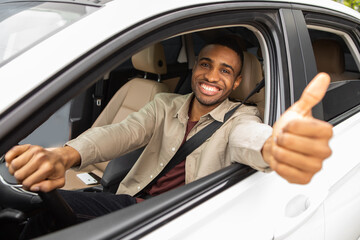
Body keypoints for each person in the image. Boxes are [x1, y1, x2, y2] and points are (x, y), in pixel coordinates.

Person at [4, 37, 332, 237]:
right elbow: (120, 133)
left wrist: (275, 145)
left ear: (236, 83)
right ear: (194, 69)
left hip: (182, 219)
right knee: (37, 211)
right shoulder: (165, 103)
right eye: (206, 64)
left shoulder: (242, 118)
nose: (211, 77)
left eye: (225, 71)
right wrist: (64, 155)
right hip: (135, 203)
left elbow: (251, 139)